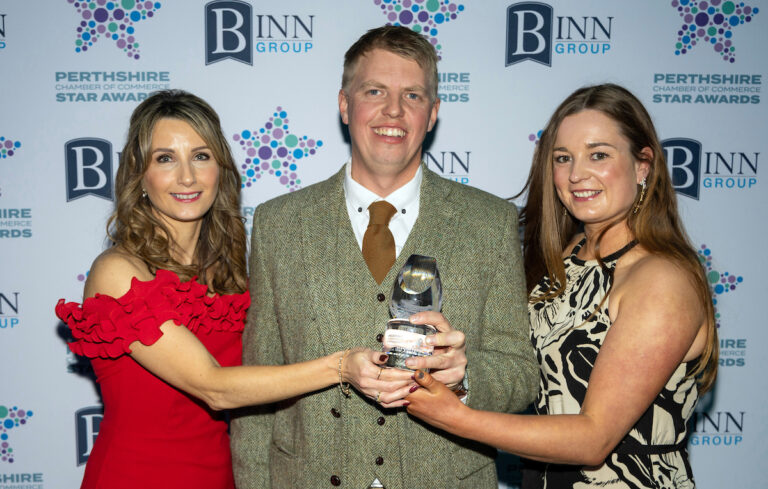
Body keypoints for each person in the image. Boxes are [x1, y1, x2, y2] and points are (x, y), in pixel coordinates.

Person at [230, 26, 538, 489]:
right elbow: (258, 386)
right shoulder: (279, 224)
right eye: (375, 91)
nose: (393, 110)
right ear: (344, 104)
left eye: (413, 96)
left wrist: (466, 373)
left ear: (432, 114)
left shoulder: (489, 222)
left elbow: (521, 373)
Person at [55, 90, 379, 489]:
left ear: (220, 170)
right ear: (140, 176)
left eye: (201, 156)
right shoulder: (118, 272)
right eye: (165, 158)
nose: (187, 176)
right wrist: (342, 366)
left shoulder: (230, 278)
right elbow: (213, 388)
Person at [404, 83, 719, 488]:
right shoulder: (567, 257)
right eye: (563, 158)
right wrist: (461, 371)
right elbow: (535, 383)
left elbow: (593, 438)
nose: (576, 175)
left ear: (643, 165)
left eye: (599, 155)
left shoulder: (662, 279)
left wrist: (457, 418)